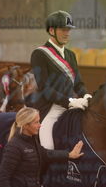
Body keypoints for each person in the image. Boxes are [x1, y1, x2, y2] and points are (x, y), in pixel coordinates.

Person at [0, 107, 84, 187]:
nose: (40, 125)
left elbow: (46, 154)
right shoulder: (14, 147)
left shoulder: (32, 142)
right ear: (26, 125)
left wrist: (69, 155)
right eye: (36, 122)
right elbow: (2, 178)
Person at [30, 10, 90, 150]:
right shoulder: (39, 54)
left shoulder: (71, 55)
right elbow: (45, 89)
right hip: (50, 108)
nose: (67, 33)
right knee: (48, 146)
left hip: (70, 106)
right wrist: (71, 101)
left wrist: (86, 95)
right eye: (63, 29)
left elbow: (78, 83)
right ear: (52, 30)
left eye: (68, 29)